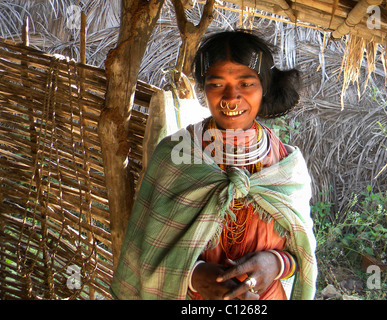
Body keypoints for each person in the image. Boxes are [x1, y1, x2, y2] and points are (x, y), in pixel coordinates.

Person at [110, 30, 317, 300]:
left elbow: (302, 251)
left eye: (246, 84)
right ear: (204, 88)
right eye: (217, 84)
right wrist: (193, 277)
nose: (231, 98)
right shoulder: (175, 156)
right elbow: (144, 250)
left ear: (264, 87)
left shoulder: (285, 164)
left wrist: (276, 264)